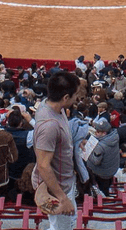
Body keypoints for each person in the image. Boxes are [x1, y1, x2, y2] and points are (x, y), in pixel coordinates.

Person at [32, 71, 81, 230]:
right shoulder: (50, 125)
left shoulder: (52, 107)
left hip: (64, 181)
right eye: (75, 95)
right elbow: (44, 166)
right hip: (58, 189)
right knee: (62, 227)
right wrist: (62, 198)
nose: (77, 98)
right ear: (65, 97)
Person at [84, 118, 120, 196]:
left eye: (98, 131)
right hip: (112, 169)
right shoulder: (114, 137)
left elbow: (96, 161)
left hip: (101, 172)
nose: (95, 133)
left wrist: (87, 152)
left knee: (102, 192)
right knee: (106, 188)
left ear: (104, 133)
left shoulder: (101, 146)